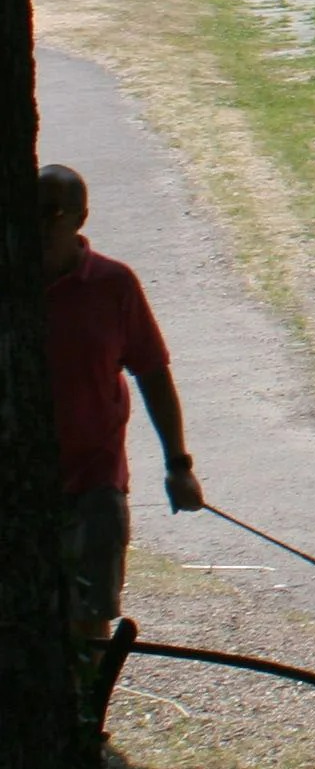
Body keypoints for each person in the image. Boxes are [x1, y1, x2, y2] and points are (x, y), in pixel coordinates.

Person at [45, 164, 202, 656]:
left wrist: (179, 465)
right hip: (21, 480)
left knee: (91, 618)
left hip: (95, 479)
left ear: (79, 218)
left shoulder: (113, 285)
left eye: (49, 214)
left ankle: (86, 727)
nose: (36, 227)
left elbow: (153, 373)